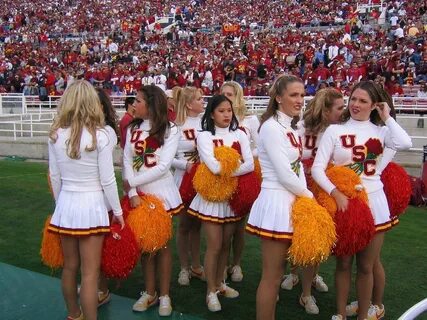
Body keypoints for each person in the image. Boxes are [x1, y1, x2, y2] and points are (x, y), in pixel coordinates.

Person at [311, 81, 412, 320]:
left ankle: (364, 314)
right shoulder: (334, 131)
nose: (355, 104)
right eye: (353, 98)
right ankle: (340, 314)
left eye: (363, 101)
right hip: (345, 202)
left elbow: (405, 143)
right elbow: (317, 169)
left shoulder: (383, 131)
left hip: (375, 203)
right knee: (343, 264)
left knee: (367, 266)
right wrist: (335, 192)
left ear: (374, 105)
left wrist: (386, 116)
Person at [48, 80, 124, 320]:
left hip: (67, 205)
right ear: (92, 103)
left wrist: (61, 205)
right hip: (92, 206)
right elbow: (108, 180)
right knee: (90, 273)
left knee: (70, 267)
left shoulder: (55, 135)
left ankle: (74, 315)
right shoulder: (100, 136)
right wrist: (118, 211)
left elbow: (55, 177)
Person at [246, 75, 313, 320]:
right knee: (272, 277)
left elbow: (296, 170)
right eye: (294, 95)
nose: (299, 100)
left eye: (302, 95)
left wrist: (304, 199)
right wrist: (310, 198)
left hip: (291, 201)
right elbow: (285, 174)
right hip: (276, 202)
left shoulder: (290, 127)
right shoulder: (272, 128)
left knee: (279, 272)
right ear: (278, 98)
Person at [281, 88, 346, 314]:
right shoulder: (299, 127)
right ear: (326, 110)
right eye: (339, 107)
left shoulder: (339, 131)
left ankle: (309, 286)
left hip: (324, 187)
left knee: (317, 235)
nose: (343, 111)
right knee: (295, 233)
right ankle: (293, 272)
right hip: (300, 184)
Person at [188, 94, 254, 312]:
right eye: (221, 111)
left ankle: (220, 283)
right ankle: (210, 291)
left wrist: (226, 170)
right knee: (214, 245)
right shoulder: (205, 136)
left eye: (229, 110)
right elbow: (213, 167)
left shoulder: (240, 135)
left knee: (226, 243)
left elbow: (250, 165)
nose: (227, 114)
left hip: (232, 197)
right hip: (212, 199)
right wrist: (233, 168)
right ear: (212, 114)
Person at [122, 84, 182, 317]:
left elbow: (164, 165)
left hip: (161, 193)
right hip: (139, 194)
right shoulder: (132, 127)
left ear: (151, 103)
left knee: (163, 245)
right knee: (146, 246)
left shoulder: (170, 129)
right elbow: (126, 160)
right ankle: (150, 292)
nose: (133, 104)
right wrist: (133, 193)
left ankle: (165, 294)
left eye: (137, 100)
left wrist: (132, 184)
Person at [220, 81, 260, 282]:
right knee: (223, 224)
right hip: (222, 176)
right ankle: (223, 263)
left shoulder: (250, 120)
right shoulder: (217, 118)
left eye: (230, 94)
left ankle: (236, 264)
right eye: (223, 93)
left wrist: (244, 158)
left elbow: (260, 147)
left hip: (243, 174)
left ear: (238, 96)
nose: (226, 96)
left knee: (238, 225)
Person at [172, 86, 205, 286]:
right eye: (199, 99)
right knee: (184, 225)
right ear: (188, 104)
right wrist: (186, 165)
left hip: (202, 178)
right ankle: (184, 268)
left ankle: (196, 265)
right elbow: (166, 159)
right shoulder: (175, 127)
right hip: (182, 177)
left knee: (198, 225)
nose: (203, 102)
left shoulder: (206, 123)